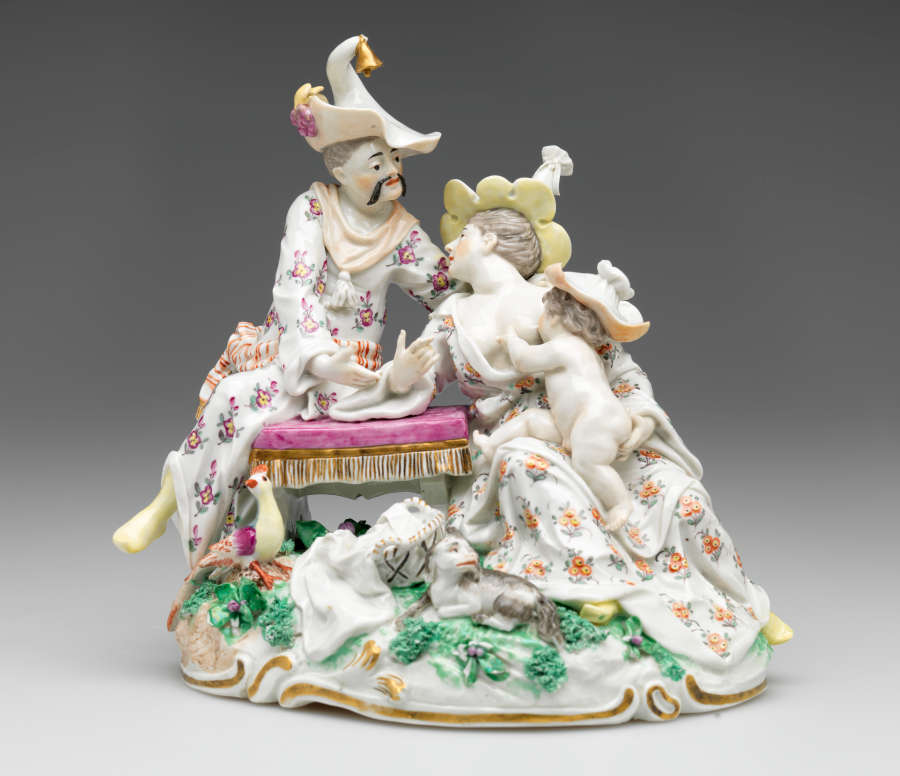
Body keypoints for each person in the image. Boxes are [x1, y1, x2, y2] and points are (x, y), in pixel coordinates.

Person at [332, 147, 792, 680]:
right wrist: (400, 377)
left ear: (488, 239)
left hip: (593, 427)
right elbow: (419, 381)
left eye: (462, 235)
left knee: (679, 496)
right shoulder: (451, 315)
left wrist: (640, 418)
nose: (450, 248)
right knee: (530, 468)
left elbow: (619, 372)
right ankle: (598, 593)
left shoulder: (554, 299)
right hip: (512, 438)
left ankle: (742, 602)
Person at [113, 36, 454, 564]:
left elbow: (446, 290)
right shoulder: (312, 209)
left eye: (393, 158)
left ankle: (172, 506)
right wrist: (319, 358)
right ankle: (180, 515)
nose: (392, 171)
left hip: (353, 372)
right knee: (234, 395)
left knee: (240, 397)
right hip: (296, 355)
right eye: (376, 162)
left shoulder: (404, 234)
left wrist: (447, 335)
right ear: (340, 173)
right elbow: (296, 289)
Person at [475, 259, 654, 531]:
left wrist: (511, 339)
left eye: (543, 314)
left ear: (556, 317)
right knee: (531, 420)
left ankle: (620, 503)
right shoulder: (581, 349)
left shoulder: (565, 347)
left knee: (587, 462)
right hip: (576, 424)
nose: (539, 322)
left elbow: (524, 360)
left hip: (597, 419)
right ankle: (491, 445)